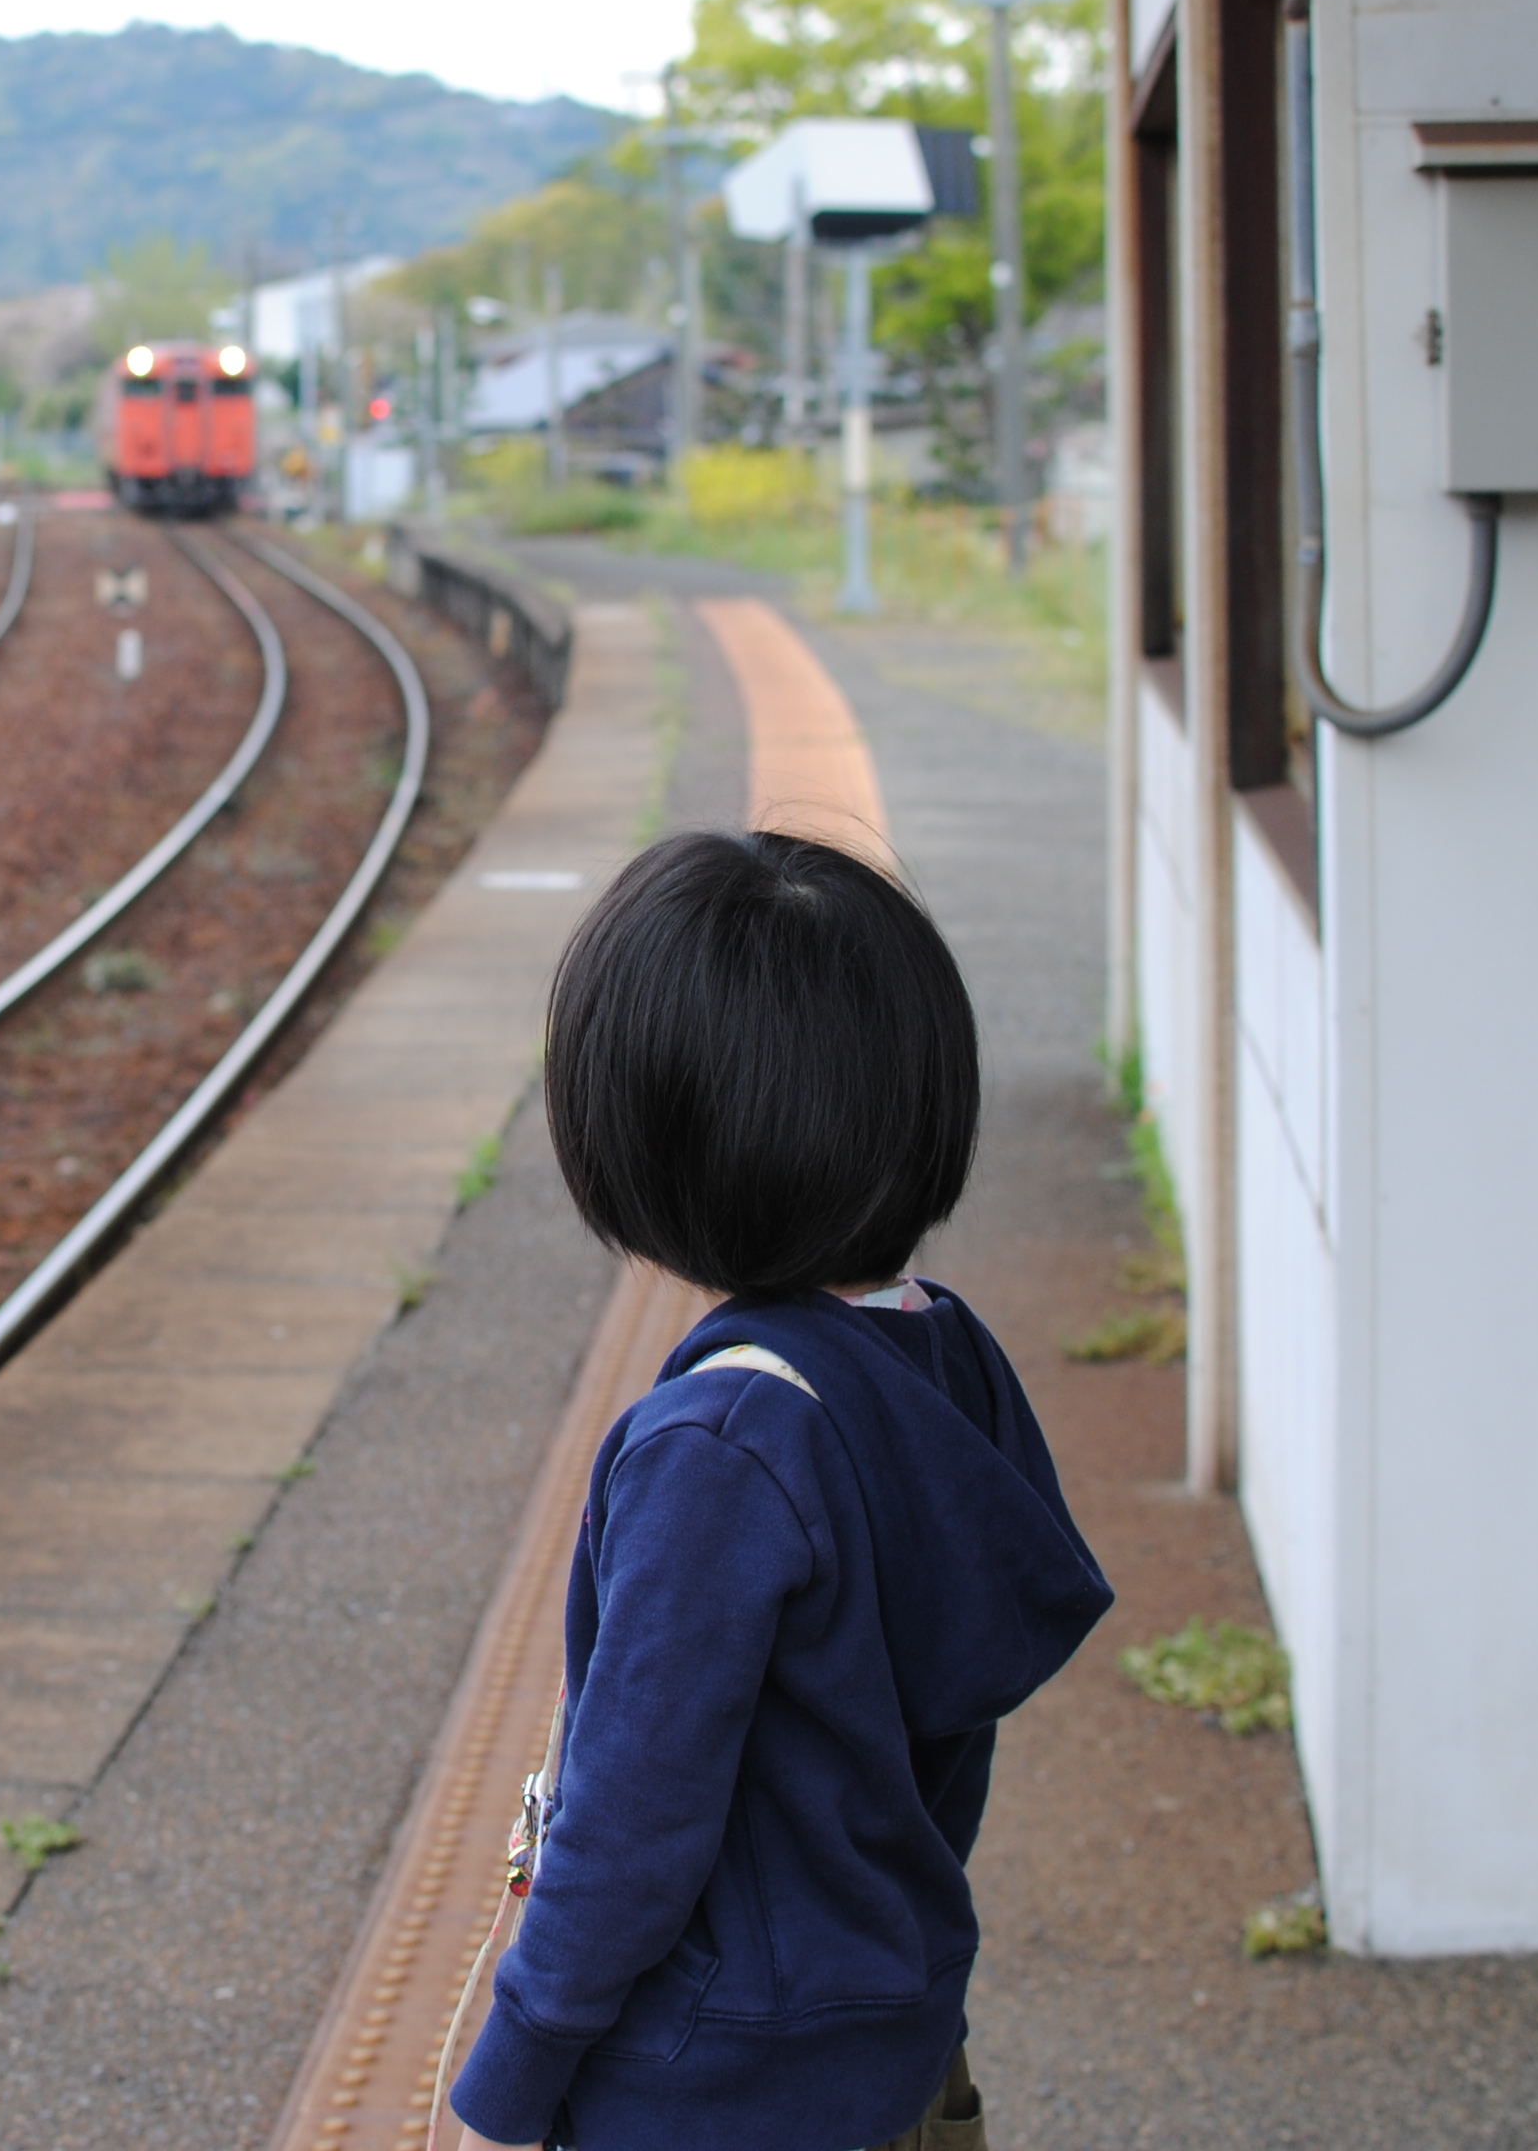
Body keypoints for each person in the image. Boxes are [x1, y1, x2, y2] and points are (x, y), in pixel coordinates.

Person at [451, 830, 1112, 2151]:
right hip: (902, 2042)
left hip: (712, 2093)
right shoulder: (946, 1359)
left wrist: (507, 2086)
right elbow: (943, 1738)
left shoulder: (721, 1446)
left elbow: (636, 1822)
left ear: (649, 1136)